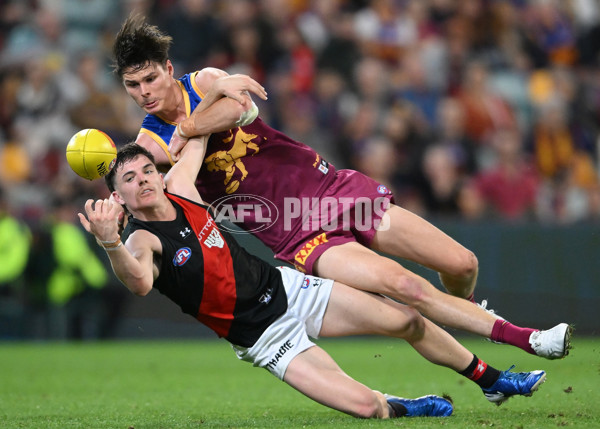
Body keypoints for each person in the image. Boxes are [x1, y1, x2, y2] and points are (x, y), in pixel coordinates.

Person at [111, 15, 572, 360]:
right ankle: (528, 339)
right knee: (406, 288)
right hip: (293, 228)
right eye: (133, 85)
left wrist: (190, 125)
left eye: (150, 77)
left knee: (461, 262)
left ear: (169, 69)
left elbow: (240, 109)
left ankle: (469, 307)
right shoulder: (150, 143)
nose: (144, 91)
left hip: (332, 187)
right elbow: (167, 182)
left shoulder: (204, 82)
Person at [78, 140, 547, 419]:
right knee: (368, 410)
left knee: (407, 320)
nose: (142, 180)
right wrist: (110, 242)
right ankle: (400, 405)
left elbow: (195, 129)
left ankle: (491, 378)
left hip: (288, 290)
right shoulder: (141, 239)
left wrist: (220, 85)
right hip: (264, 338)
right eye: (128, 179)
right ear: (117, 196)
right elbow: (139, 282)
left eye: (145, 170)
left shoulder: (181, 188)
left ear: (157, 174)